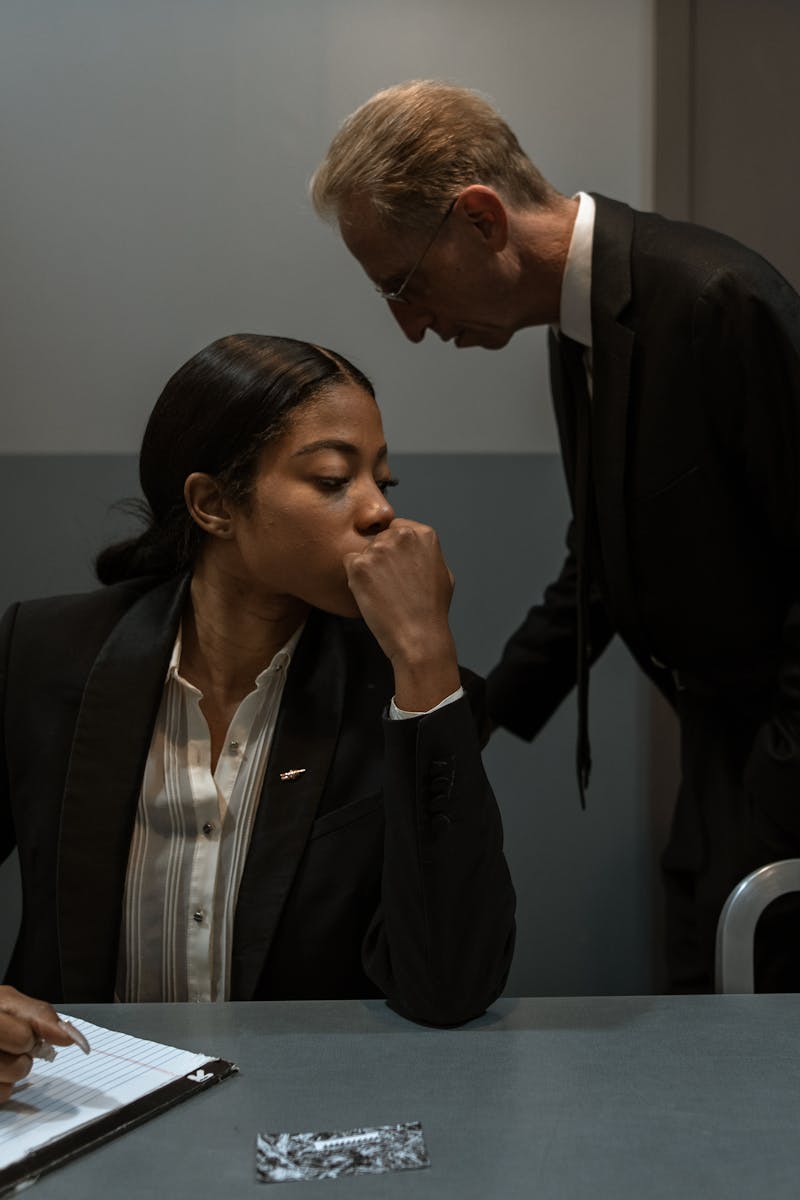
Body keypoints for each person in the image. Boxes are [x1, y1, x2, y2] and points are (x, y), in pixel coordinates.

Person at [311, 79, 800, 991]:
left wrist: (777, 793)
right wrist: (463, 717)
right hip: (719, 751)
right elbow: (602, 566)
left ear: (483, 221)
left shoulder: (715, 301)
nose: (410, 328)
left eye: (404, 285)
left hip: (774, 760)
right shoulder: (578, 326)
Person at [0, 333, 515, 1061]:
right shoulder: (46, 652)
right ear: (213, 504)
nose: (378, 514)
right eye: (335, 480)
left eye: (382, 482)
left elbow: (452, 986)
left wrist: (427, 659)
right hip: (83, 1095)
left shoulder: (409, 690)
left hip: (305, 1104)